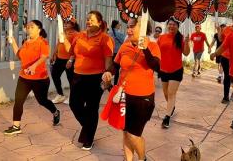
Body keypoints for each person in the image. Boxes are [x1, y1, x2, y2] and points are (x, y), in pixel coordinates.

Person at [103, 17, 160, 161]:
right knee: (126, 131)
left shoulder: (152, 46)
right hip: (124, 95)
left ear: (142, 29)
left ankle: (142, 158)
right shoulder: (125, 45)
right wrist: (109, 72)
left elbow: (156, 66)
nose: (128, 30)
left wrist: (144, 48)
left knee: (134, 134)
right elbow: (116, 65)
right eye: (127, 27)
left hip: (143, 98)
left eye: (132, 27)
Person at [63, 10, 114, 150]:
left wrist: (108, 75)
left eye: (91, 20)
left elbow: (108, 61)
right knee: (74, 104)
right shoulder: (79, 36)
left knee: (91, 108)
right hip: (78, 76)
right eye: (87, 19)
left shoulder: (105, 38)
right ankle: (88, 128)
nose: (88, 22)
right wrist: (71, 59)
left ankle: (89, 138)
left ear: (99, 22)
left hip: (95, 78)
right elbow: (73, 51)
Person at [4, 20, 60, 135]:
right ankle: (16, 126)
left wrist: (34, 66)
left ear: (39, 29)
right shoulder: (26, 42)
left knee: (42, 101)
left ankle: (55, 112)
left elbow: (44, 57)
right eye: (27, 26)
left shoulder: (43, 42)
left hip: (40, 79)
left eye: (32, 27)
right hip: (24, 77)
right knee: (19, 101)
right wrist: (13, 42)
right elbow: (19, 55)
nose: (29, 28)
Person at [157, 17, 190, 128]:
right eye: (170, 24)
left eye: (174, 25)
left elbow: (186, 53)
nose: (171, 26)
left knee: (171, 93)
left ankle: (167, 117)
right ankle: (171, 107)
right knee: (166, 94)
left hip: (176, 70)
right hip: (163, 70)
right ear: (167, 25)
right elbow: (156, 51)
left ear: (177, 26)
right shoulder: (162, 38)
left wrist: (187, 42)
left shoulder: (181, 38)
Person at [51, 19, 80, 104]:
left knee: (71, 78)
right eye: (65, 22)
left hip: (69, 60)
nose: (65, 24)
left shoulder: (76, 34)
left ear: (73, 24)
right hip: (60, 58)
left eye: (68, 23)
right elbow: (59, 43)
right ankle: (60, 95)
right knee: (54, 74)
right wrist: (54, 53)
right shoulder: (63, 33)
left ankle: (73, 97)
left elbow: (76, 48)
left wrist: (71, 60)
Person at [218, 14, 233, 103]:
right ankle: (225, 96)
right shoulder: (227, 29)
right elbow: (220, 40)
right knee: (227, 76)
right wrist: (219, 31)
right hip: (225, 56)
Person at [109, 20, 125, 85]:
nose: (120, 25)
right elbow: (124, 41)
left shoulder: (109, 33)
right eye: (119, 24)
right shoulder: (119, 34)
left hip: (110, 53)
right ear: (116, 25)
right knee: (117, 70)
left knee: (110, 69)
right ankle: (115, 84)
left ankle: (107, 82)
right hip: (117, 54)